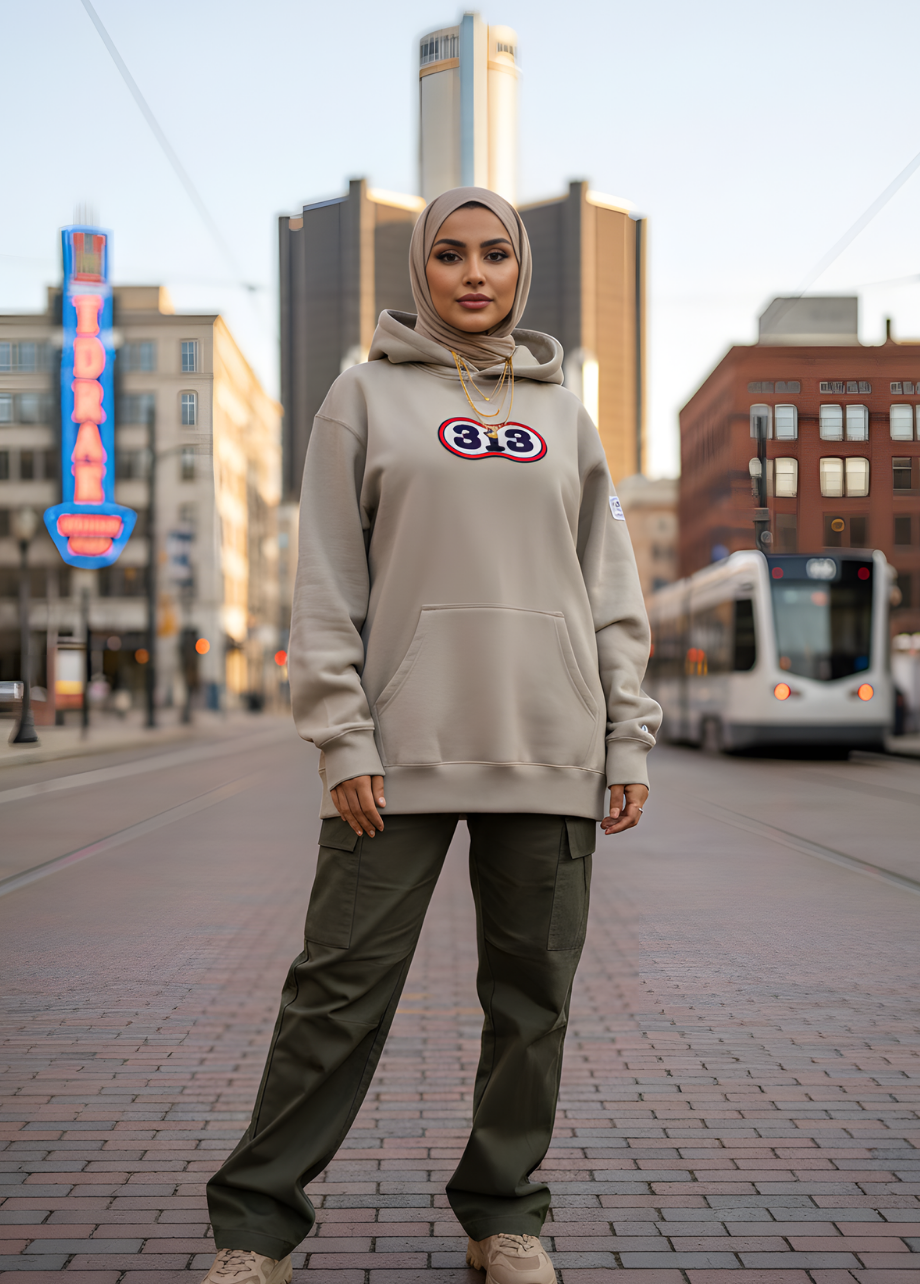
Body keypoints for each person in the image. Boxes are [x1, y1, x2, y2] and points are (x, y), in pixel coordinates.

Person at [202, 186, 661, 1284]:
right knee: (334, 993)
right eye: (449, 254)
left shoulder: (564, 414)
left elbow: (609, 588)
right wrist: (340, 735)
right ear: (420, 269)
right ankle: (257, 1226)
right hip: (395, 756)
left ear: (519, 269)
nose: (471, 273)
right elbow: (325, 582)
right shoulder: (360, 396)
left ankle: (504, 1213)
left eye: (492, 254)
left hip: (550, 749)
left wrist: (626, 736)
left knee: (529, 1005)